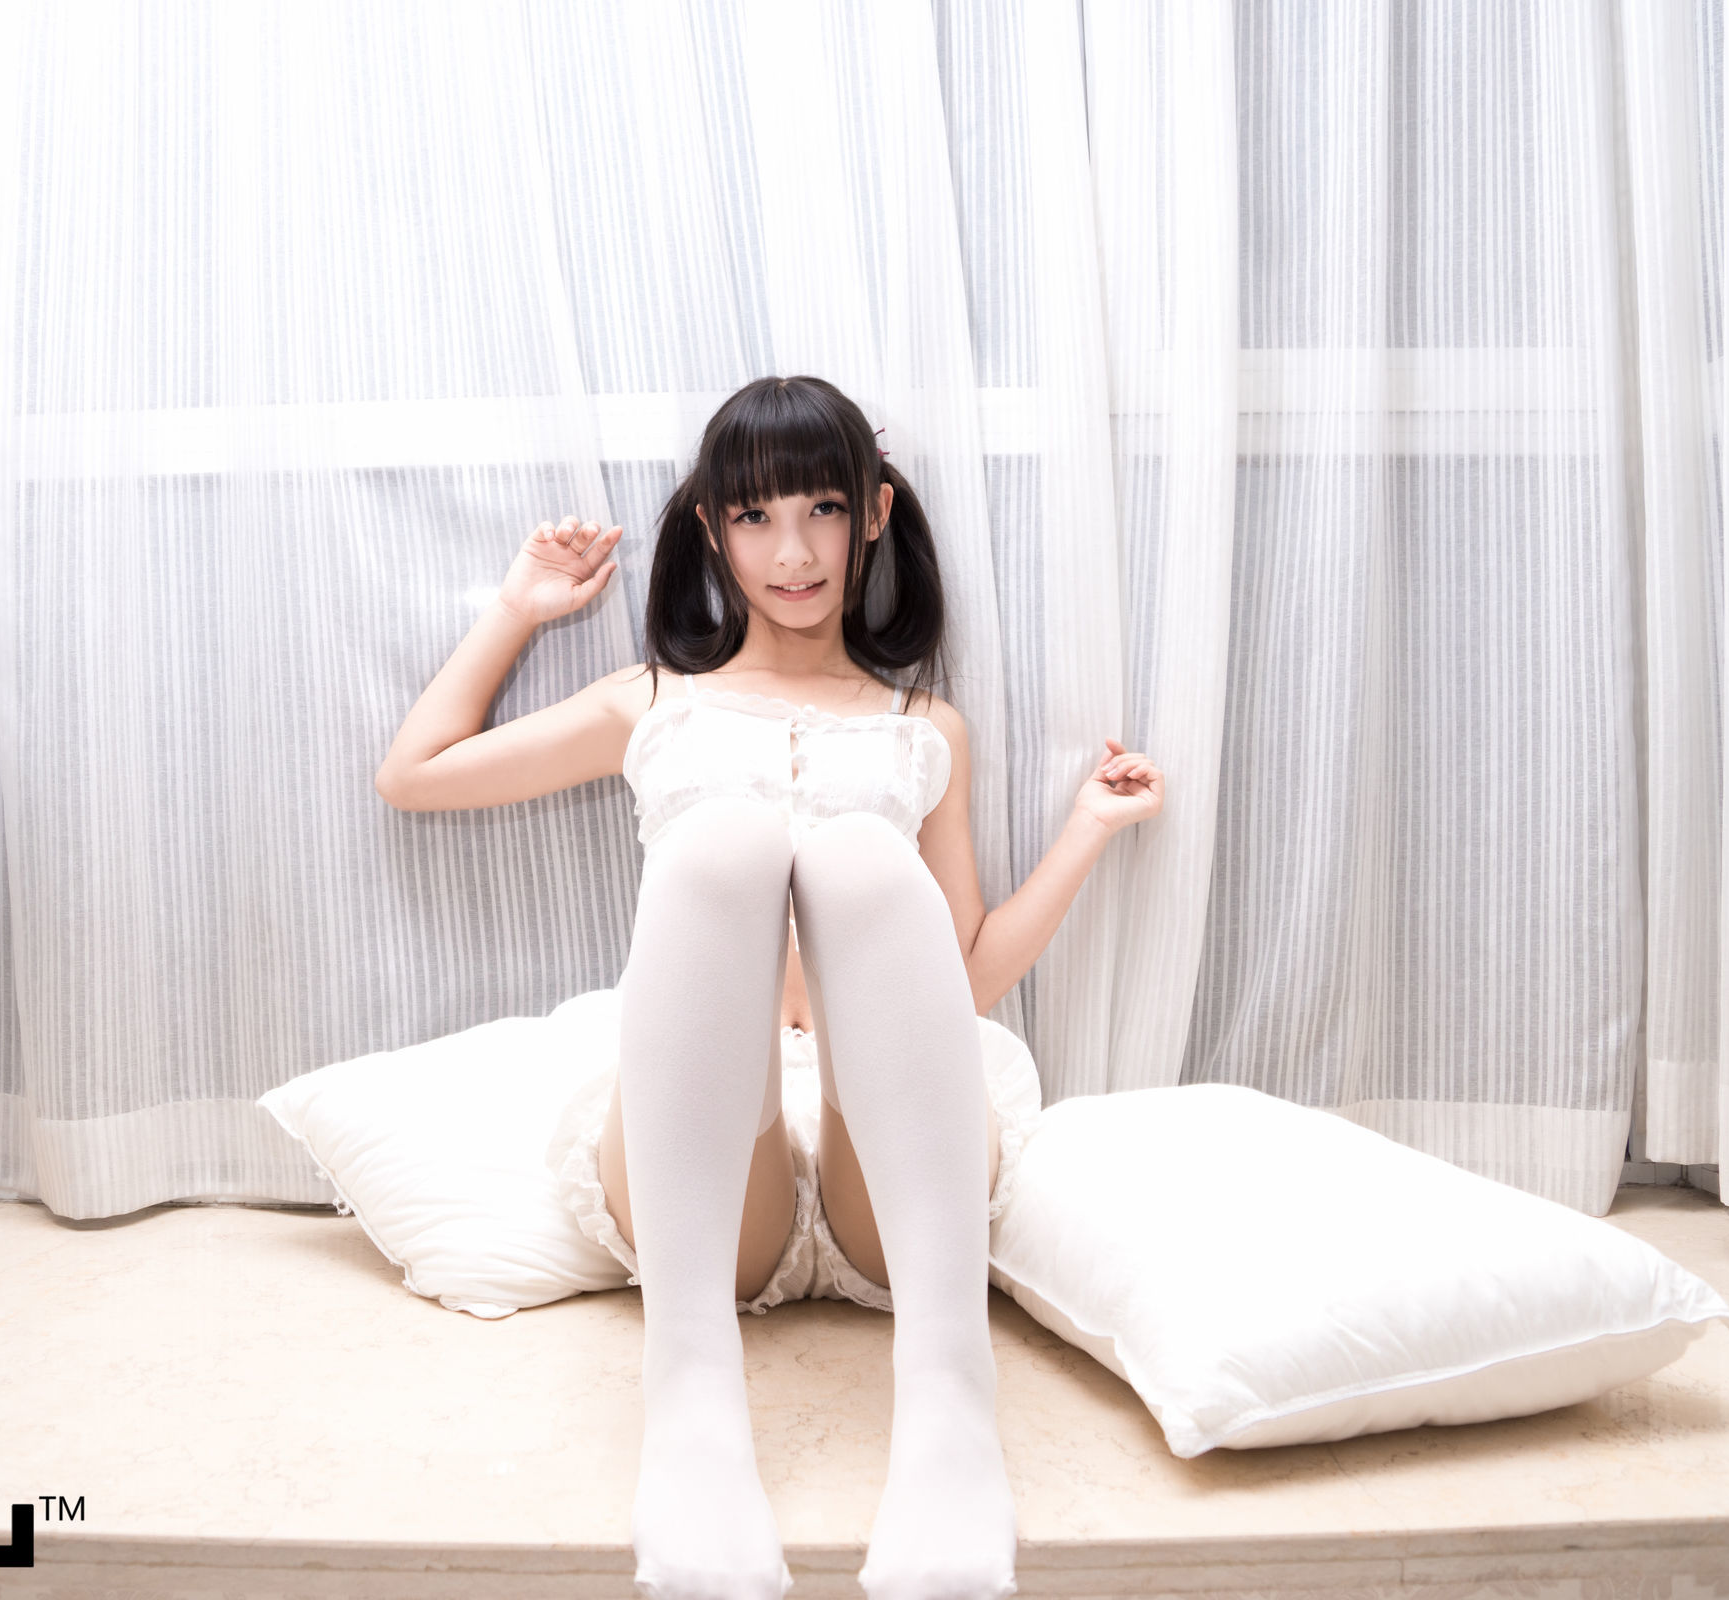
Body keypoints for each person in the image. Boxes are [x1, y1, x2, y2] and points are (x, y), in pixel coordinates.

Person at [373, 375, 1165, 1600]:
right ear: (712, 529)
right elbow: (415, 773)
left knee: (860, 862)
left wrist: (1086, 835)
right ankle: (690, 1393)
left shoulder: (923, 727)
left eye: (823, 509)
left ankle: (948, 1391)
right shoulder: (656, 701)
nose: (792, 553)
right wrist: (518, 609)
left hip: (887, 1160)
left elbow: (959, 977)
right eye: (754, 516)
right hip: (705, 1154)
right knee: (726, 845)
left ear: (874, 515)